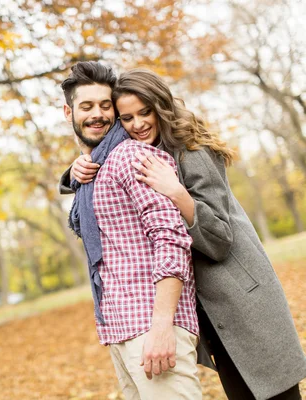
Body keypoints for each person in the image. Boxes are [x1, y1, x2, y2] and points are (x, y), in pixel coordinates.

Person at [60, 68, 306, 400]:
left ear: (160, 107)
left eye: (145, 112)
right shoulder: (141, 153)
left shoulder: (192, 151)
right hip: (207, 308)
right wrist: (73, 171)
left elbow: (219, 238)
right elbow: (103, 167)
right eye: (127, 117)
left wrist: (178, 193)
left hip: (240, 298)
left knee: (276, 394)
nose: (137, 124)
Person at [61, 61, 203, 399]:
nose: (97, 114)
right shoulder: (95, 169)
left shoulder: (132, 157)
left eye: (105, 105)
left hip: (153, 327)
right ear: (68, 112)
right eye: (87, 106)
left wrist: (162, 326)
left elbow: (171, 238)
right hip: (120, 328)